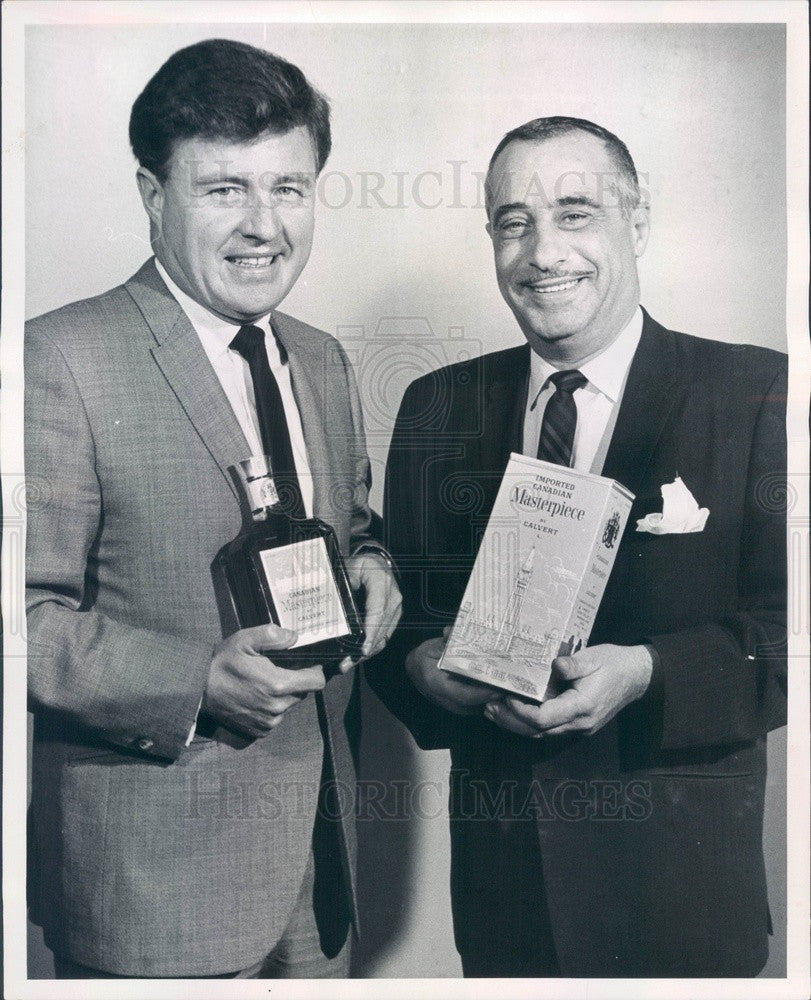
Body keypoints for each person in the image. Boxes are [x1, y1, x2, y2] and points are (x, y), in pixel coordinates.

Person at [367, 116, 787, 977]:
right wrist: (419, 668)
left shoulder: (760, 393)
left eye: (575, 212)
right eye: (512, 221)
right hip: (504, 900)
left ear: (636, 224)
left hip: (681, 900)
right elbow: (395, 622)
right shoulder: (436, 406)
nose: (540, 251)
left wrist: (648, 672)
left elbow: (796, 631)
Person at [26, 38, 401, 979]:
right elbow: (18, 617)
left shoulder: (319, 357)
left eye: (288, 187)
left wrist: (376, 569)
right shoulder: (57, 360)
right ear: (153, 196)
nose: (263, 225)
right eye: (224, 189)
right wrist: (194, 683)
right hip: (153, 890)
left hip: (320, 872)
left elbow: (350, 524)